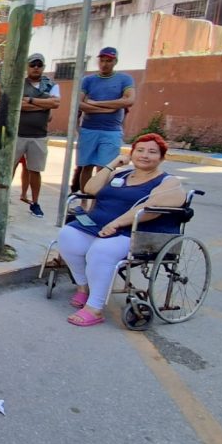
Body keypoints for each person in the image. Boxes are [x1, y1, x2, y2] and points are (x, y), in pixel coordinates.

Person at [57, 133, 184, 327]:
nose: (145, 155)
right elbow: (90, 189)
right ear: (131, 154)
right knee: (67, 236)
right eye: (139, 150)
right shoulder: (120, 174)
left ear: (162, 157)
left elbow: (151, 208)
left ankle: (94, 308)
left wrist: (117, 223)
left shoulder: (168, 182)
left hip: (134, 232)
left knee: (101, 251)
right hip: (97, 225)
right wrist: (113, 164)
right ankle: (83, 287)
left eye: (152, 152)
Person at [77, 46, 135, 191]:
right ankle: (84, 200)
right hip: (89, 129)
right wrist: (111, 108)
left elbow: (129, 100)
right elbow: (79, 103)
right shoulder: (88, 80)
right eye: (102, 60)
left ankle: (97, 202)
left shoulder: (124, 79)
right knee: (86, 166)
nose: (104, 64)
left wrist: (96, 103)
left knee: (105, 168)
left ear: (115, 61)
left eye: (108, 61)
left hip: (111, 131)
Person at [14, 53, 61, 218]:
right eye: (32, 64)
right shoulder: (19, 83)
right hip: (17, 134)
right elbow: (16, 105)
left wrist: (31, 100)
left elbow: (55, 103)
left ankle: (35, 202)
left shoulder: (51, 85)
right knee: (9, 169)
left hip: (39, 135)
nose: (35, 68)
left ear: (43, 67)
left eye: (39, 65)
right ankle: (2, 200)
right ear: (27, 66)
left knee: (35, 170)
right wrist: (43, 105)